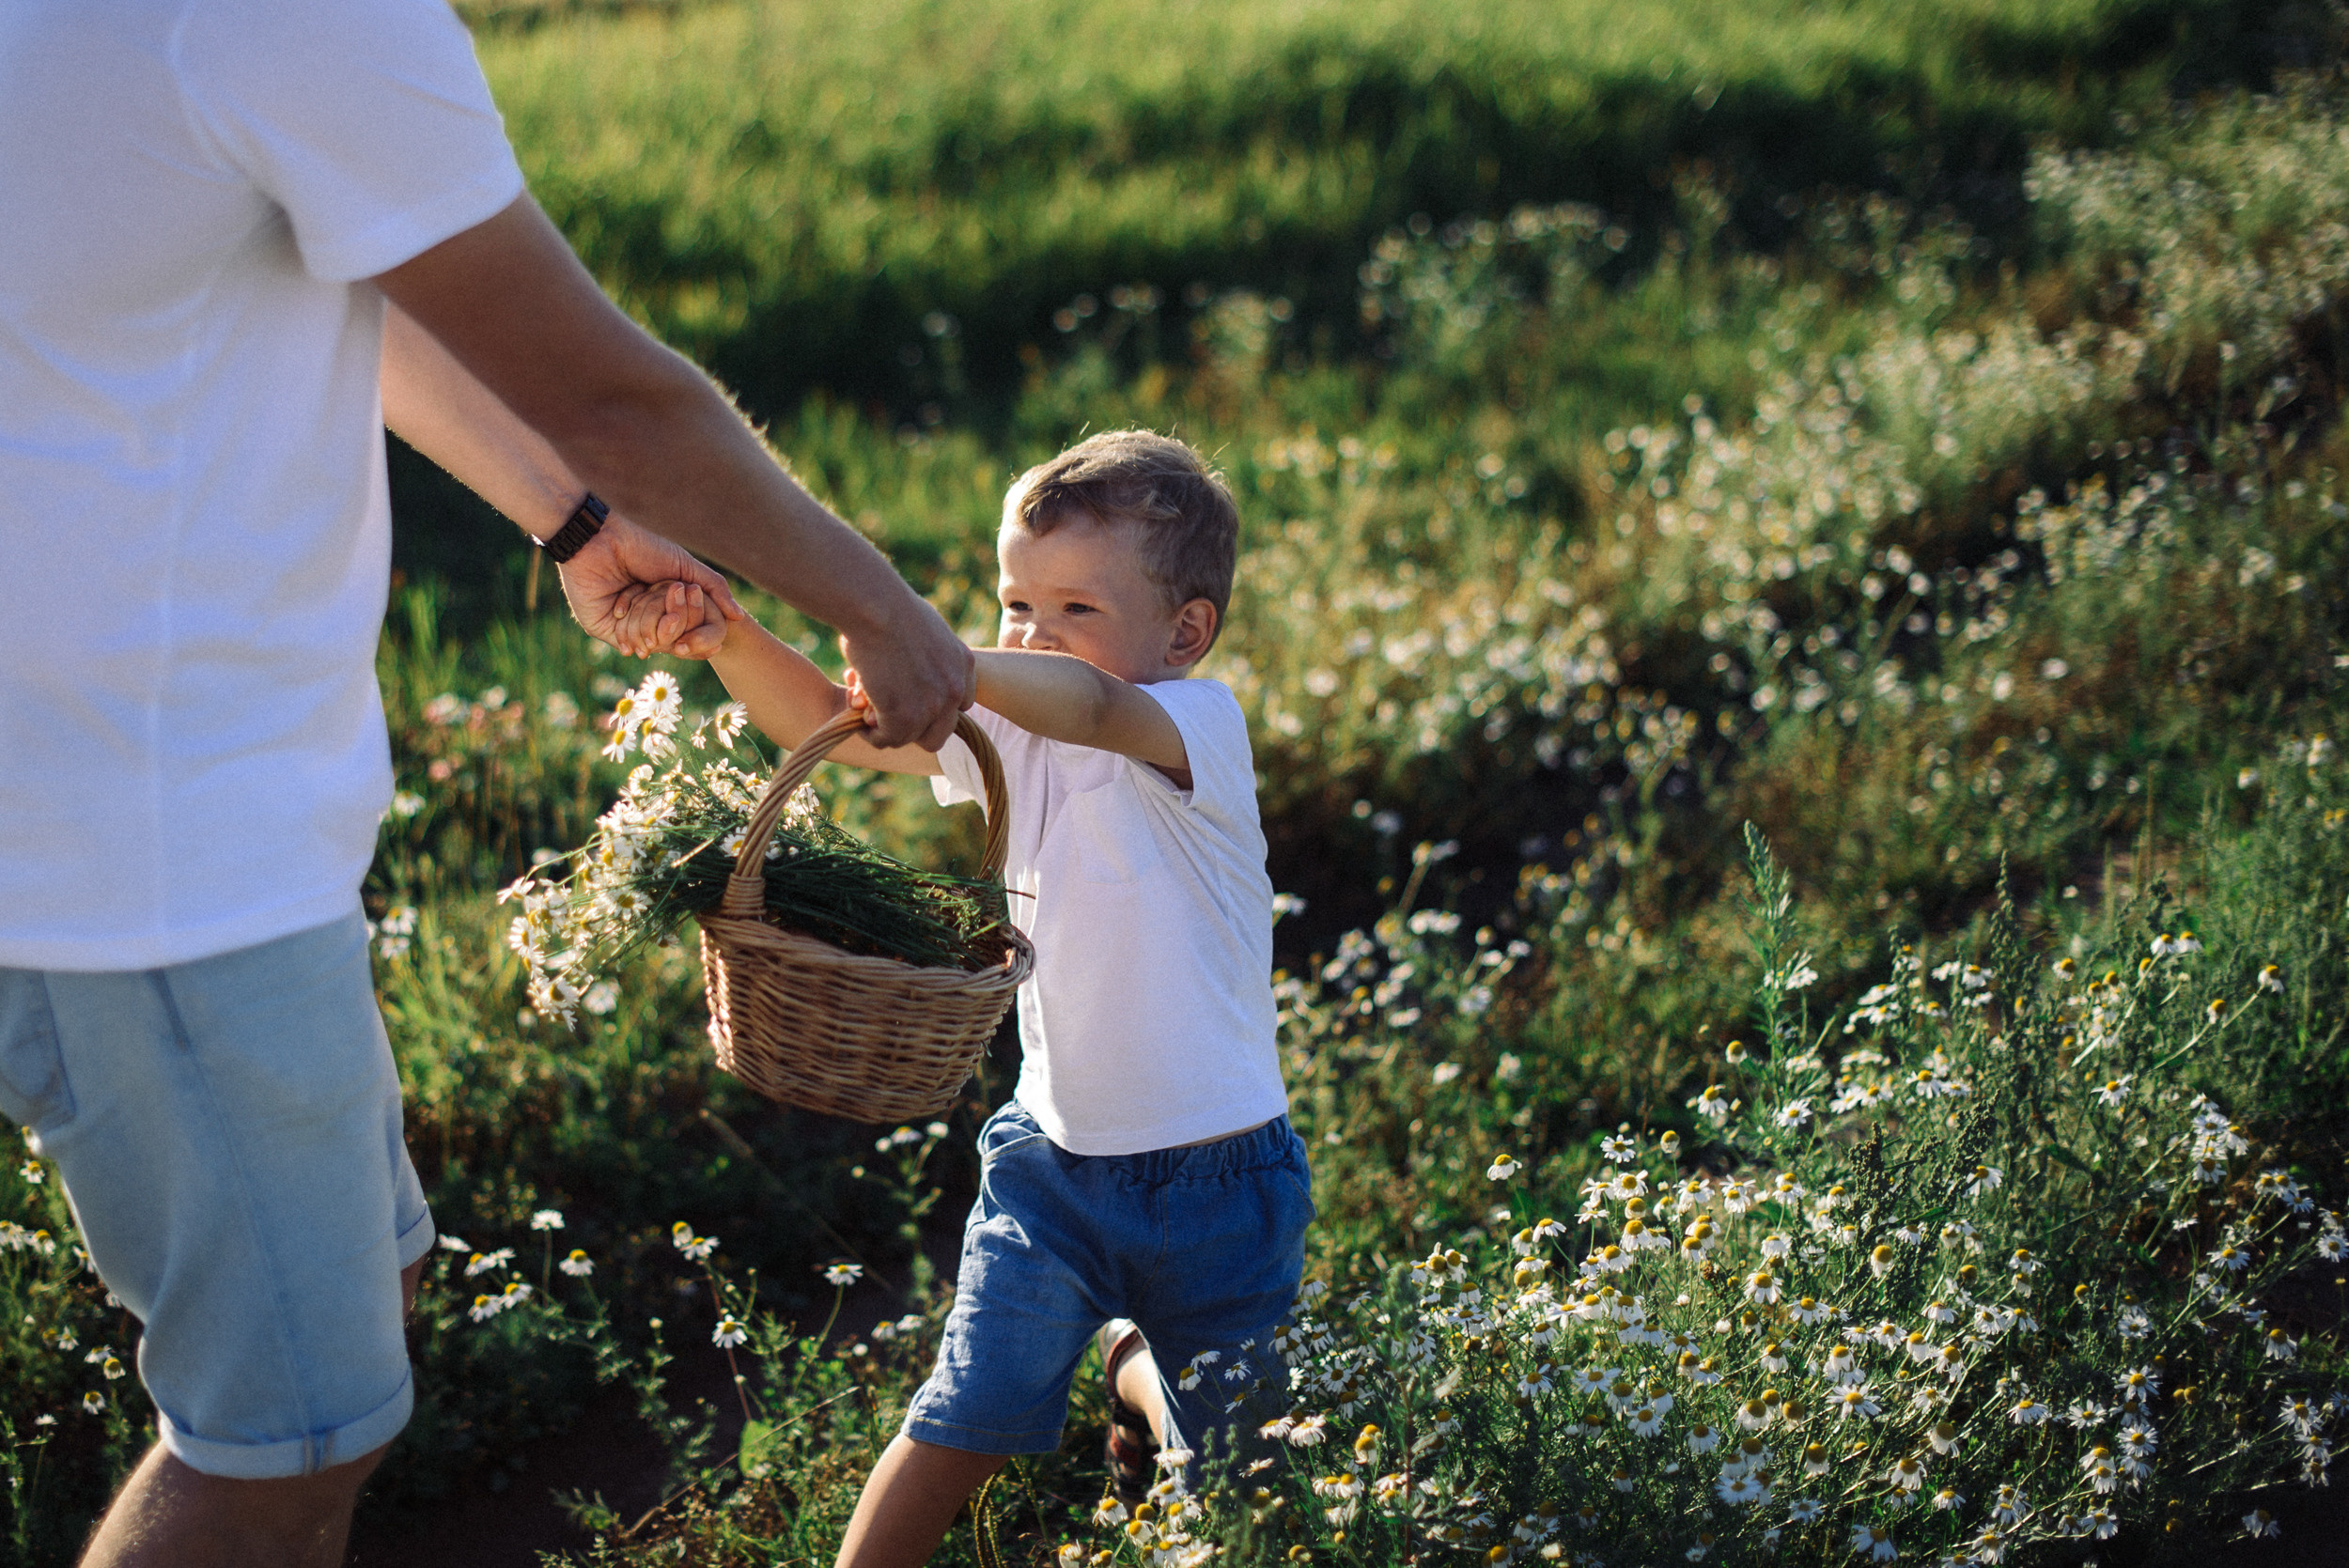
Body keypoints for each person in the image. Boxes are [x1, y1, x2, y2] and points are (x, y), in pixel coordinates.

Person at [0, 2, 970, 1565]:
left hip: (108, 813)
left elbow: (331, 270)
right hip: (146, 861)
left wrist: (572, 520)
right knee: (279, 1442)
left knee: (356, 1310)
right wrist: (874, 600)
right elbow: (616, 399)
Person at [627, 429, 1313, 1567]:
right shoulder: (1007, 731)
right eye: (1014, 603)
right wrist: (728, 635)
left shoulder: (1195, 726)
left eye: (1074, 609)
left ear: (1185, 632)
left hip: (1221, 1184)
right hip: (1050, 1171)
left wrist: (944, 657)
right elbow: (829, 725)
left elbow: (1090, 705)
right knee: (960, 1422)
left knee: (1245, 1487)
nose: (1031, 633)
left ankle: (1136, 1372)